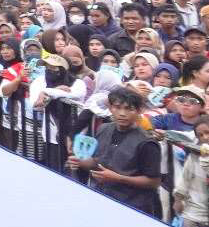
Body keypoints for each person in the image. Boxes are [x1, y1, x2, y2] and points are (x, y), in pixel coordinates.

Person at [64, 87, 161, 217]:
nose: (122, 113)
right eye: (117, 107)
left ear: (139, 111)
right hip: (102, 198)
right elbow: (97, 162)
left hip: (132, 206)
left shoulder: (147, 143)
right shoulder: (104, 129)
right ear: (110, 108)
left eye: (129, 109)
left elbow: (153, 182)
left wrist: (118, 178)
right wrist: (80, 161)